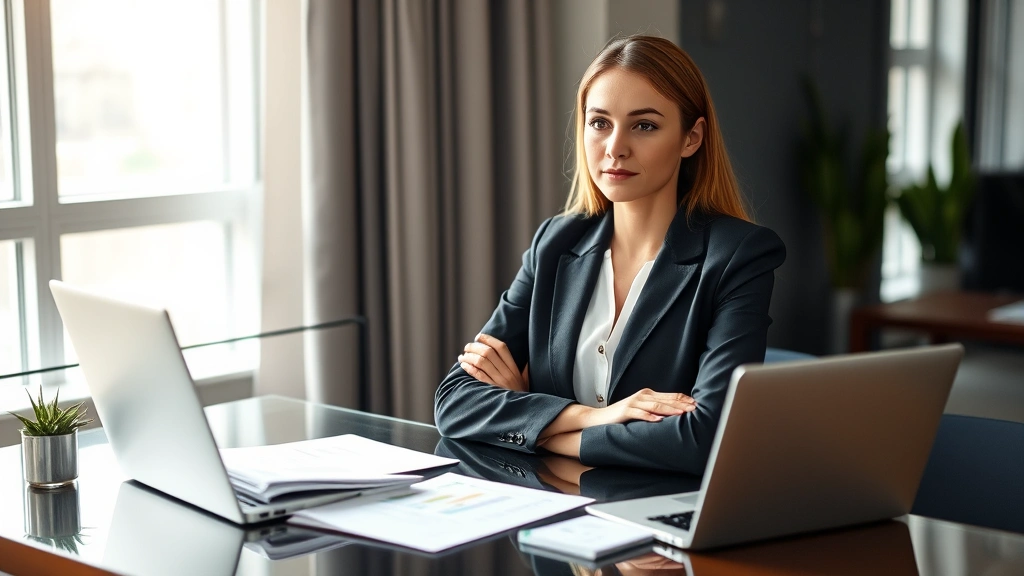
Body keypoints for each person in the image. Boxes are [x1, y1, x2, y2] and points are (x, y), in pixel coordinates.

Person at [433, 35, 785, 474]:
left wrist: (535, 421)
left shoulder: (739, 256)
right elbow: (455, 402)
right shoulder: (555, 244)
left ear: (691, 137)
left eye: (644, 125)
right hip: (550, 514)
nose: (615, 147)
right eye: (599, 122)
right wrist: (595, 416)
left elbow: (704, 439)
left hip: (658, 520)